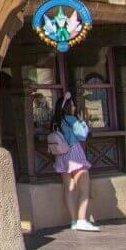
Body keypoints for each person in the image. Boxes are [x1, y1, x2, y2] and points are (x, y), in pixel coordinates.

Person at [46, 93, 100, 232]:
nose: (75, 107)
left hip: (60, 158)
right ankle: (82, 220)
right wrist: (82, 121)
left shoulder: (54, 121)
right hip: (74, 155)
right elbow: (82, 135)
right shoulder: (71, 119)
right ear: (68, 107)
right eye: (73, 105)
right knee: (84, 190)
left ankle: (74, 221)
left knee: (69, 190)